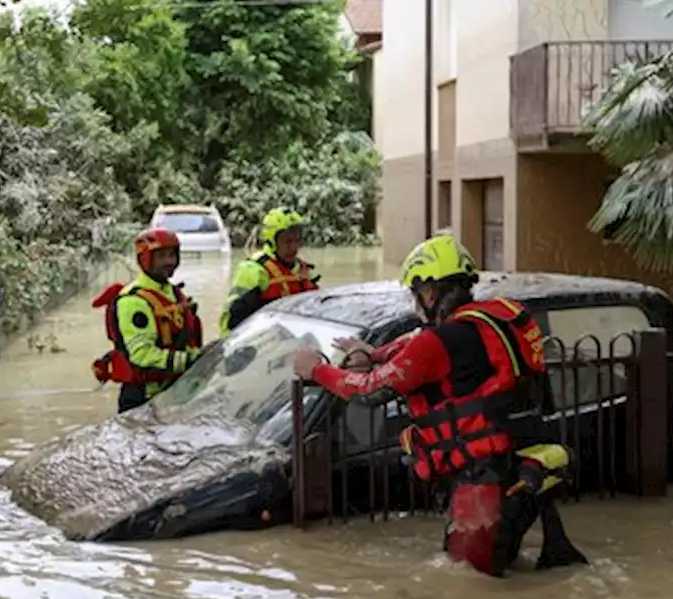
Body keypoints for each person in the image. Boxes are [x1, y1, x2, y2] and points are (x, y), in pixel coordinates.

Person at [291, 235, 588, 578]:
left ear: (430, 292)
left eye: (415, 294)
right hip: (524, 471)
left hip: (482, 485)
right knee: (498, 571)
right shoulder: (491, 320)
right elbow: (417, 343)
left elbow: (369, 391)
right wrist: (372, 352)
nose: (415, 304)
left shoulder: (440, 341)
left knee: (467, 589)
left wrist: (317, 369)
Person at [92, 228, 205, 413]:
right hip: (143, 398)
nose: (169, 262)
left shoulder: (173, 292)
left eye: (172, 255)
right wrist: (193, 360)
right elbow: (142, 355)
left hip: (173, 393)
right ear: (145, 259)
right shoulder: (133, 301)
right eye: (161, 257)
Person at [219, 208, 320, 335]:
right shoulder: (253, 270)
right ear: (272, 241)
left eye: (297, 240)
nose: (294, 248)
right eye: (287, 241)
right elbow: (231, 322)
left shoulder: (303, 271)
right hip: (262, 343)